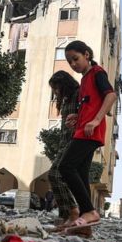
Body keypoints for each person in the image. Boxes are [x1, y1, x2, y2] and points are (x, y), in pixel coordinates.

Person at [58, 41, 117, 230]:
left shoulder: (97, 72)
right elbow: (90, 103)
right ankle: (85, 226)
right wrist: (77, 116)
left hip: (90, 132)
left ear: (87, 55)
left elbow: (110, 96)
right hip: (83, 129)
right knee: (81, 173)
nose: (73, 64)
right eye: (69, 62)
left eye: (75, 59)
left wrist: (96, 120)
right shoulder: (84, 80)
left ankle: (89, 211)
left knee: (65, 167)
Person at [47, 71, 81, 229]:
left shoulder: (78, 94)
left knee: (55, 174)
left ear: (64, 84)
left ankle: (73, 211)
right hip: (64, 142)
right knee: (56, 176)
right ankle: (64, 216)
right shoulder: (65, 99)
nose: (55, 92)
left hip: (75, 141)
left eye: (56, 88)